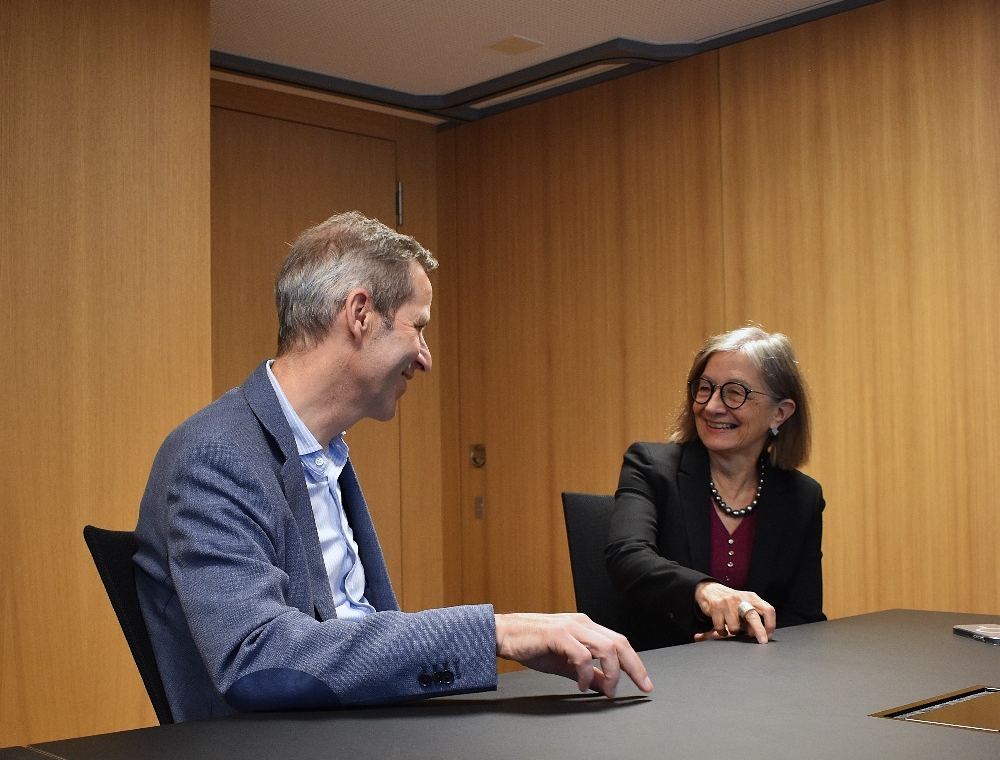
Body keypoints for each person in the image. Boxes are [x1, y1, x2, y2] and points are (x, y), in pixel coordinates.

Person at [135, 212, 651, 720]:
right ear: (360, 314)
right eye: (418, 327)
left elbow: (352, 623)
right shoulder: (215, 456)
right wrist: (497, 632)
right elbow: (256, 659)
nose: (425, 358)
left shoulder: (322, 450)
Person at [605, 326, 825, 650]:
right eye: (705, 388)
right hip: (659, 672)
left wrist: (732, 639)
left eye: (735, 392)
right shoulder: (651, 466)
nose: (711, 406)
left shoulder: (802, 497)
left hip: (759, 682)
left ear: (779, 413)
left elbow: (804, 616)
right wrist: (705, 590)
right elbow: (627, 557)